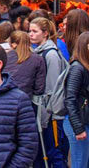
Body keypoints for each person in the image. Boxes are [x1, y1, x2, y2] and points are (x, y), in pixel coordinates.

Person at [29, 16, 69, 168]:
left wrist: (47, 115)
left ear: (45, 33)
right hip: (43, 112)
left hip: (50, 114)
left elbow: (52, 88)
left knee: (53, 153)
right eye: (30, 31)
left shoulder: (50, 54)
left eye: (34, 31)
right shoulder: (39, 51)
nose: (31, 34)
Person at [63, 32, 89, 168]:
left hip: (86, 123)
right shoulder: (77, 68)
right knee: (80, 164)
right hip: (78, 123)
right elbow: (70, 99)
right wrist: (78, 128)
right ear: (83, 48)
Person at [4, 30, 45, 99]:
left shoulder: (5, 57)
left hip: (5, 97)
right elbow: (39, 88)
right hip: (26, 99)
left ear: (13, 44)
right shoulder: (38, 59)